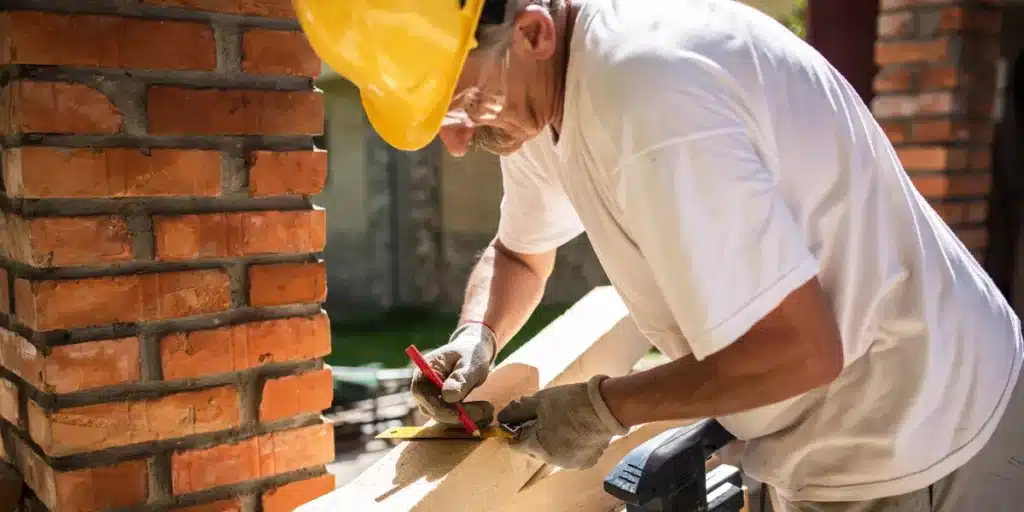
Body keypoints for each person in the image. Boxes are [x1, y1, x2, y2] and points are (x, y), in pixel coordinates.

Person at [294, 0, 1024, 510]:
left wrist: (604, 407)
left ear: (533, 32)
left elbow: (801, 352)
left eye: (465, 102)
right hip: (835, 436)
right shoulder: (543, 92)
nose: (457, 139)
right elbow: (520, 255)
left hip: (923, 428)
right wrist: (475, 335)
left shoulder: (650, 100)